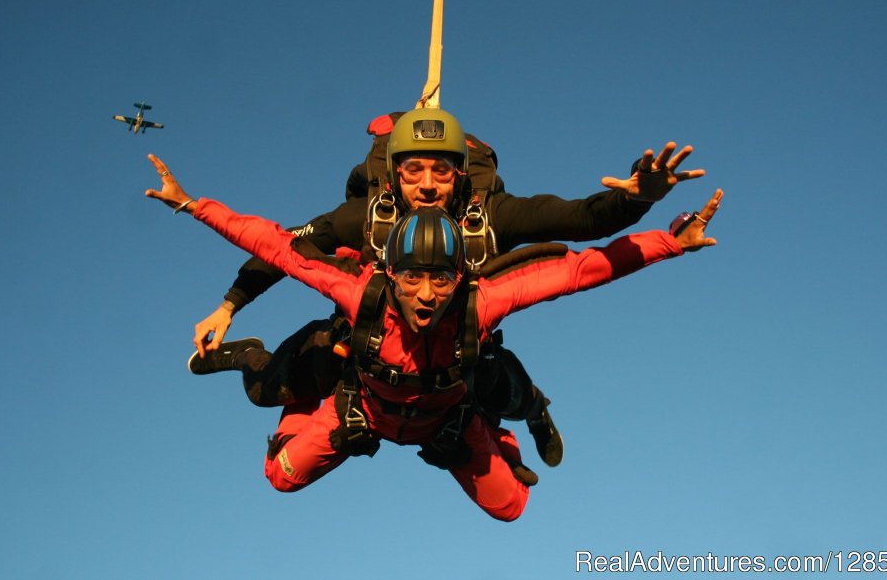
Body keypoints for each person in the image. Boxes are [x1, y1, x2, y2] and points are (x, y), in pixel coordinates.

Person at [144, 153, 721, 521]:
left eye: (439, 279)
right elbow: (272, 242)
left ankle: (509, 427)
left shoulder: (482, 298)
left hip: (447, 419)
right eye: (413, 278)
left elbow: (585, 268)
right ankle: (288, 393)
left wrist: (671, 239)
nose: (425, 294)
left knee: (511, 508)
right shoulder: (358, 289)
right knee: (280, 477)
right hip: (362, 410)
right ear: (389, 272)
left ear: (459, 276)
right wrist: (191, 205)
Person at [184, 108, 706, 469]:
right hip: (365, 345)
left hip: (460, 350)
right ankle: (249, 357)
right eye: (414, 170)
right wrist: (229, 307)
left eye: (442, 170)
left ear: (461, 176)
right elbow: (284, 246)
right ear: (393, 175)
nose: (429, 185)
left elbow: (580, 220)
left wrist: (639, 200)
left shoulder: (490, 217)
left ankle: (535, 409)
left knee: (501, 389)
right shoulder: (366, 218)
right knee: (266, 390)